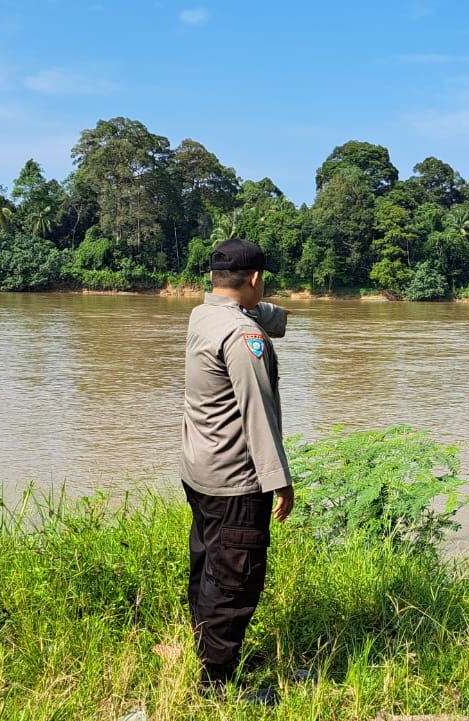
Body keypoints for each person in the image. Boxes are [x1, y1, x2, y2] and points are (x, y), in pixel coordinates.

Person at [180, 238, 294, 703]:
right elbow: (258, 413)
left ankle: (209, 652)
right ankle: (216, 687)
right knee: (235, 578)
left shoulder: (203, 315)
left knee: (209, 564)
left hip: (200, 469)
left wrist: (262, 311)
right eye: (261, 280)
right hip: (237, 478)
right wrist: (280, 480)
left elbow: (266, 317)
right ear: (254, 279)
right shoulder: (244, 338)